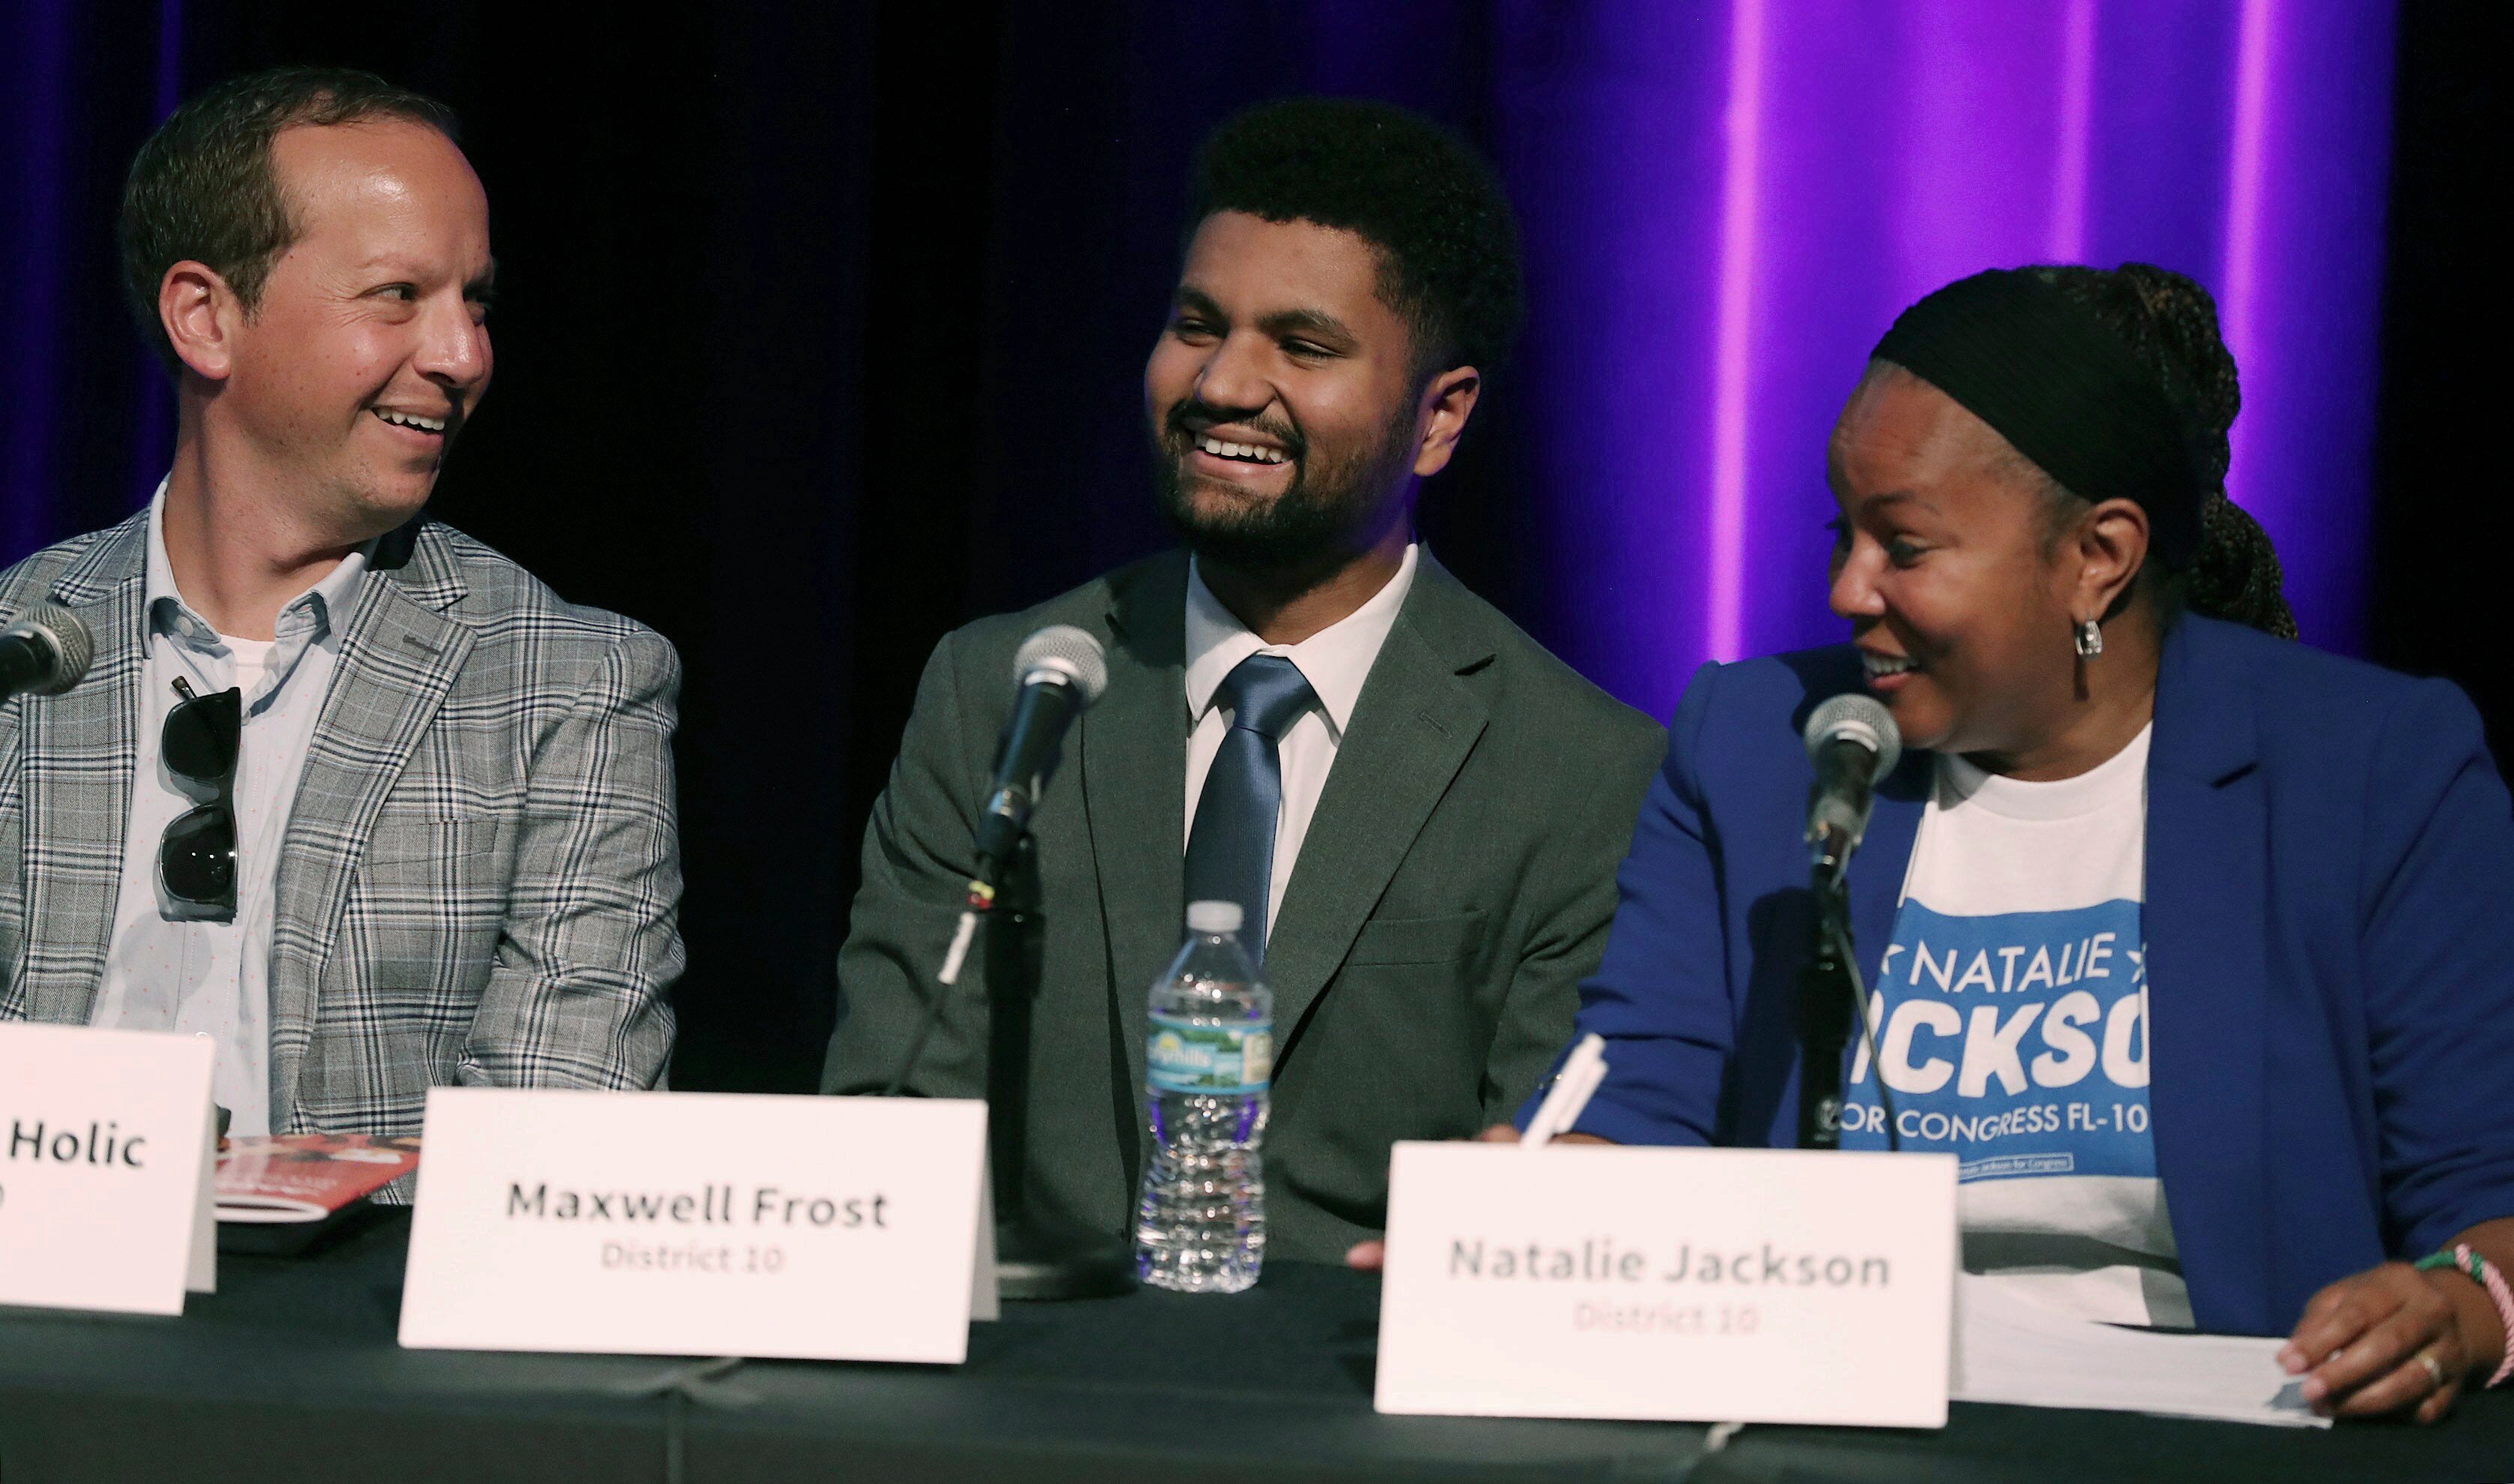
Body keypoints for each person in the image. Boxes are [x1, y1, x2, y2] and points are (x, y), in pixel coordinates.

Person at [1499, 263, 2514, 1421]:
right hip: (1832, 1420)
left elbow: (2490, 1196)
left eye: (1907, 547)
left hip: (2232, 1435)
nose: (1846, 589)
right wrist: (1529, 1223)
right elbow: (1640, 1098)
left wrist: (2460, 1306)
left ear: (2098, 557)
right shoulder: (1758, 746)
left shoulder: (2372, 770)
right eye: (1844, 535)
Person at [823, 98, 1663, 1262]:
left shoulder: (1581, 769)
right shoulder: (1003, 693)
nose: (1221, 383)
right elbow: (888, 1127)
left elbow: (1544, 1214)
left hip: (1357, 1403)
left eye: (1302, 347)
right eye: (1197, 324)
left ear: (1440, 416)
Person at [0, 67, 682, 1144]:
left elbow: (559, 1141)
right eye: (400, 296)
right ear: (206, 319)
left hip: (350, 1308)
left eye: (476, 302)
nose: (464, 356)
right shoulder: (20, 647)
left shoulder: (565, 683)